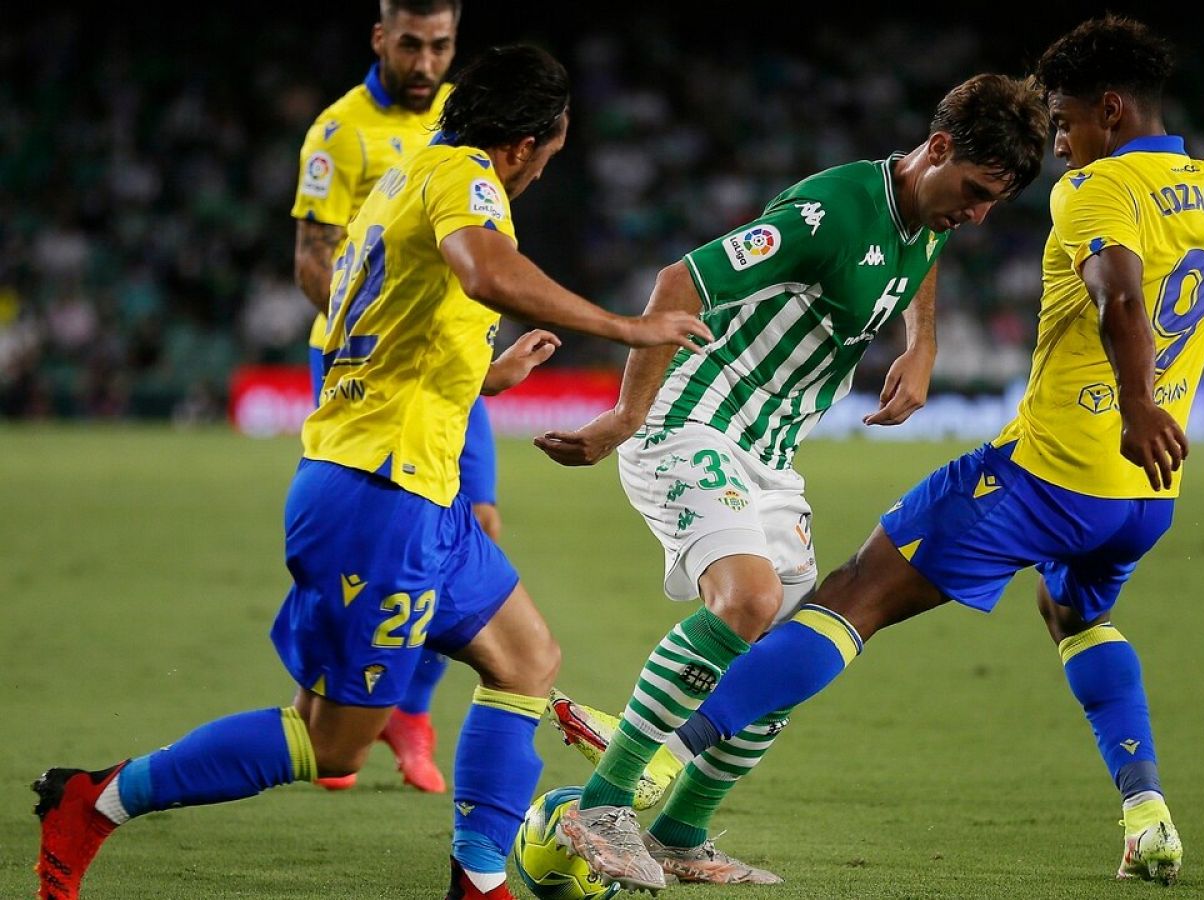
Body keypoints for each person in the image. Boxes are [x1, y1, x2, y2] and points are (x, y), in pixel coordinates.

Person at [554, 15, 1204, 890]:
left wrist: (1132, 400)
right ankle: (1147, 816)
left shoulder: (1097, 192)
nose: (1060, 144)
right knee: (1075, 620)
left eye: (1064, 121)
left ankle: (648, 779)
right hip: (1144, 497)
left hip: (1047, 474)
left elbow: (1119, 294)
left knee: (844, 607)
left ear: (1110, 111)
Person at [32, 44, 710, 900]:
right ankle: (95, 801)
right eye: (551, 154)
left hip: (413, 487)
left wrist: (487, 376)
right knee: (332, 743)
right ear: (525, 144)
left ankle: (481, 881)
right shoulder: (465, 176)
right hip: (376, 498)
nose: (542, 173)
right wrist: (626, 326)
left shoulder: (405, 175)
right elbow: (483, 270)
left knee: (526, 662)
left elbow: (396, 329)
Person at [536, 72, 1051, 891]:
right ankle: (601, 806)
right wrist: (627, 417)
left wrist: (924, 345)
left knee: (789, 656)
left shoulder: (926, 210)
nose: (978, 214)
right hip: (693, 419)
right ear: (939, 150)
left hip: (771, 455)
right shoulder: (832, 213)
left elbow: (926, 252)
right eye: (975, 192)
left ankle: (681, 834)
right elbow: (680, 282)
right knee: (747, 602)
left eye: (995, 202)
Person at [290, 0, 469, 795]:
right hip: (366, 373)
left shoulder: (464, 119)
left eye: (440, 46)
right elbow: (311, 257)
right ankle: (330, 705)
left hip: (451, 365)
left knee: (473, 526)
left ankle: (410, 709)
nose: (426, 63)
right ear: (380, 39)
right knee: (355, 550)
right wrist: (365, 334)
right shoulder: (339, 132)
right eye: (411, 45)